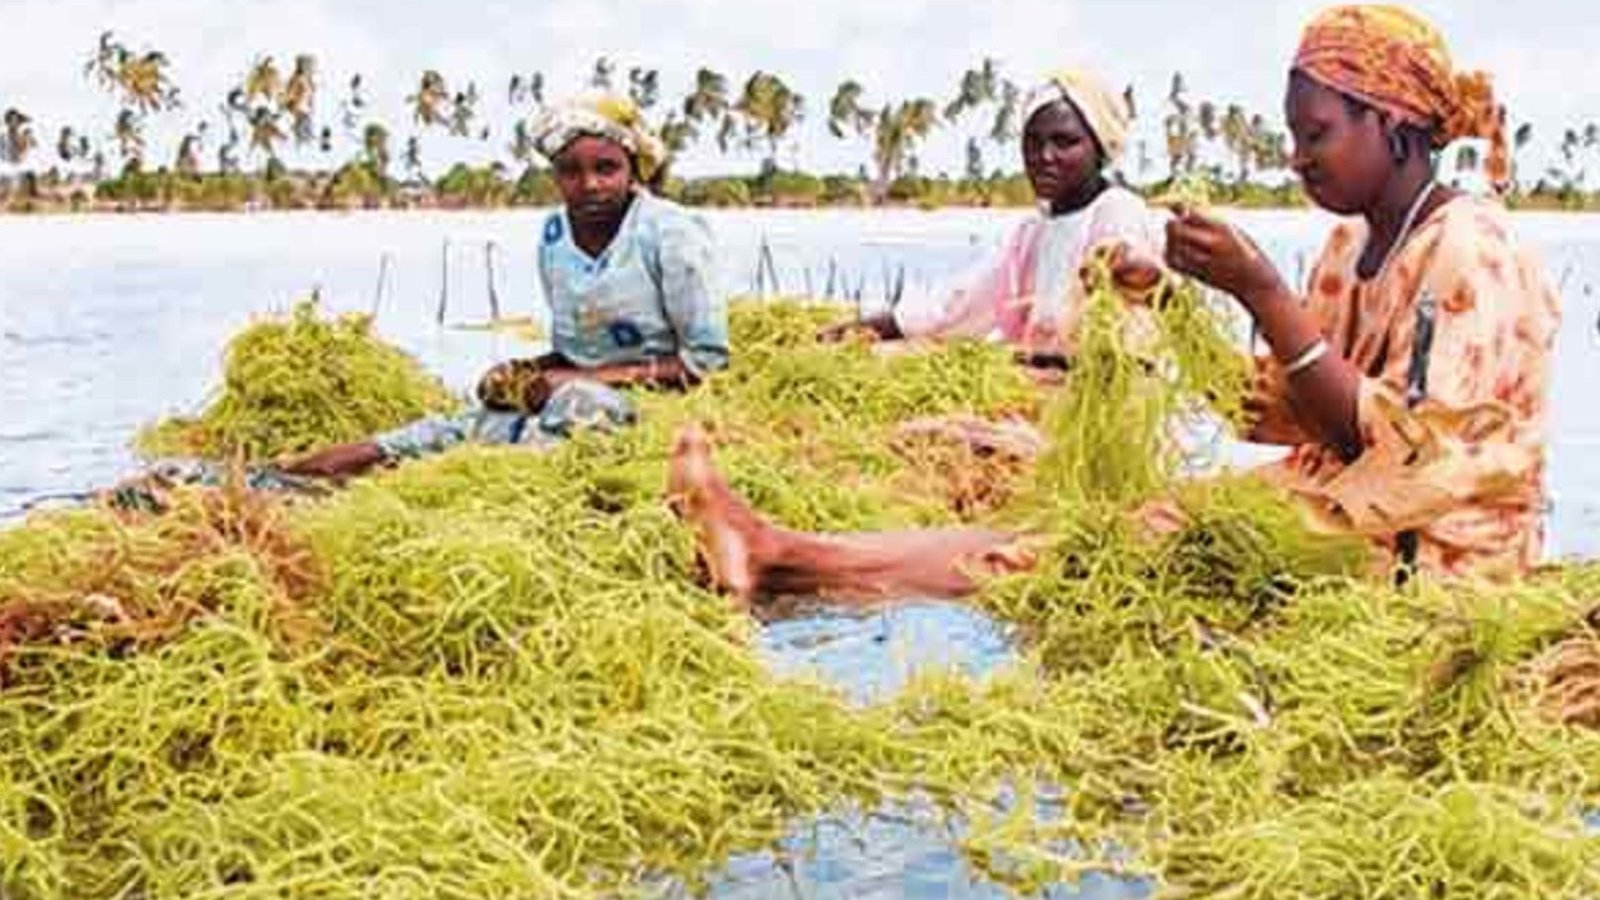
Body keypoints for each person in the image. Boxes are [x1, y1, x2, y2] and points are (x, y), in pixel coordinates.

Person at [669, 5, 1559, 608]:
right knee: (1094, 534)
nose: (1297, 157)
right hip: (1344, 498)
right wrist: (1173, 303)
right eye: (1293, 135)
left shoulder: (1467, 250)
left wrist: (1258, 291)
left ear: (1395, 127)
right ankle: (783, 553)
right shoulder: (1349, 246)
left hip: (1434, 551)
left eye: (1316, 133)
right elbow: (1292, 420)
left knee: (1099, 553)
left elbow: (1405, 452)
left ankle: (780, 559)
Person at [279, 93, 730, 480]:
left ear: (633, 172)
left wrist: (576, 379)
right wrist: (525, 371)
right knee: (432, 433)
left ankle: (487, 471)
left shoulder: (672, 233)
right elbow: (575, 350)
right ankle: (294, 472)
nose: (590, 184)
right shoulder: (556, 235)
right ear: (555, 176)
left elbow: (705, 363)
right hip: (569, 395)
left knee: (578, 406)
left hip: (644, 406)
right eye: (571, 171)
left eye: (606, 169)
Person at [818, 69, 1164, 370]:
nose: (1044, 157)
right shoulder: (1035, 230)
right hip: (1042, 383)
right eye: (1033, 142)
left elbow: (1123, 345)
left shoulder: (1117, 212)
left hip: (1096, 406)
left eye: (1065, 142)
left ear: (1100, 148)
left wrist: (1021, 361)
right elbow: (960, 302)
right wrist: (866, 329)